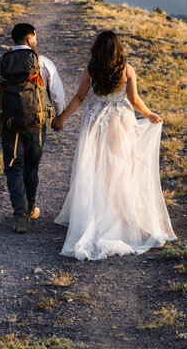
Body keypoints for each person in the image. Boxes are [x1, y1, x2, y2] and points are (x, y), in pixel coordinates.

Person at [51, 30, 176, 260]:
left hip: (96, 122)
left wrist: (61, 118)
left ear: (97, 48)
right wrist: (149, 115)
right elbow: (134, 100)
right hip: (120, 122)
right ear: (118, 48)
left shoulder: (90, 70)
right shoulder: (126, 70)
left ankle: (98, 212)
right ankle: (121, 212)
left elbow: (79, 98)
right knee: (121, 166)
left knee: (97, 167)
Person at [0, 22, 65, 233]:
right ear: (29, 39)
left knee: (14, 167)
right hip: (36, 122)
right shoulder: (42, 62)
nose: (37, 40)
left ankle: (20, 216)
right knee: (31, 166)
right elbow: (57, 94)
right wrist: (58, 117)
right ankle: (31, 208)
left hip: (10, 123)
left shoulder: (1, 64)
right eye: (35, 37)